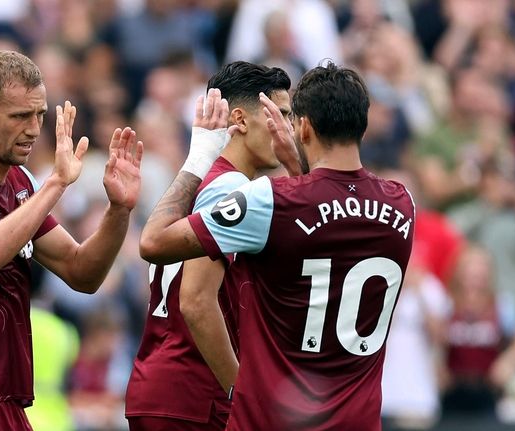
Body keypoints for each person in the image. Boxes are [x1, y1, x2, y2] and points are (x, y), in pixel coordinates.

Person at [139, 61, 415, 430]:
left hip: (266, 410)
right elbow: (329, 222)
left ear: (303, 127)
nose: (282, 125)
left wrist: (199, 158)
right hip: (346, 414)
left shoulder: (269, 199)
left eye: (287, 116)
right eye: (276, 115)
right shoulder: (402, 203)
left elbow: (155, 241)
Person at [0, 50, 143, 431]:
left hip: (6, 400)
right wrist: (56, 183)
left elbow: (82, 272)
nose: (35, 129)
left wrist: (119, 210)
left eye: (40, 114)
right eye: (20, 116)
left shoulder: (21, 186)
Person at [124, 62, 293, 430]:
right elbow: (197, 300)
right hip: (196, 395)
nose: (288, 129)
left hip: (162, 384)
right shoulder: (233, 191)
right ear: (241, 120)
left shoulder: (197, 180)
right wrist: (242, 394)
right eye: (280, 115)